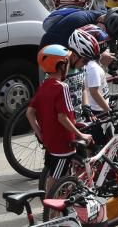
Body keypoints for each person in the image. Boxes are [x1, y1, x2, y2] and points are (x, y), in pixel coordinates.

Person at [28, 45, 93, 196]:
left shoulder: (44, 86)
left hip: (50, 142)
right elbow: (62, 117)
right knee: (55, 179)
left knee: (56, 175)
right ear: (61, 65)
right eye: (67, 62)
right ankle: (51, 212)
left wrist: (40, 133)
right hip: (63, 144)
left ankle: (55, 207)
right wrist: (81, 135)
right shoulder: (62, 87)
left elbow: (30, 112)